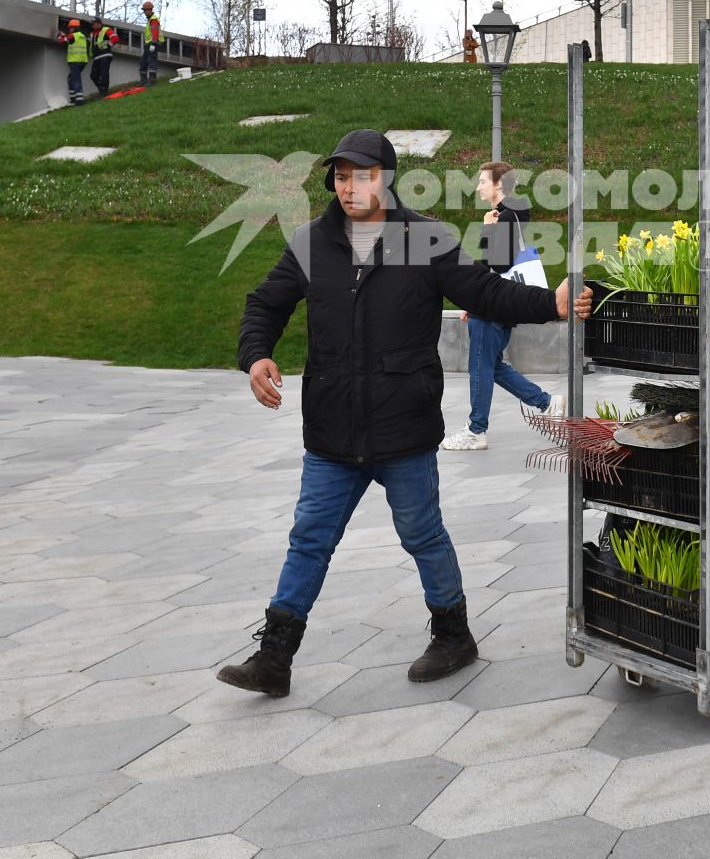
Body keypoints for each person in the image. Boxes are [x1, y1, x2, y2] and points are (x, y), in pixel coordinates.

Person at [218, 130, 592, 698]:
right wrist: (256, 354)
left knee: (421, 533)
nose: (348, 187)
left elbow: (485, 292)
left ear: (385, 180)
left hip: (403, 425)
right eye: (340, 177)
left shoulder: (427, 239)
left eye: (361, 175)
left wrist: (552, 304)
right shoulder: (308, 243)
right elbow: (264, 305)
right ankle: (275, 657)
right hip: (332, 430)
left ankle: (453, 635)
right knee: (309, 538)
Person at [444, 162, 563, 452]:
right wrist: (472, 300)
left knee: (480, 367)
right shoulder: (508, 216)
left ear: (498, 184)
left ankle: (476, 430)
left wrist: (488, 230)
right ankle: (547, 403)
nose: (478, 186)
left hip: (495, 305)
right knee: (492, 365)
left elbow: (499, 264)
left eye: (483, 181)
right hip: (494, 301)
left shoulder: (507, 218)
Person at [59, 17, 89, 104]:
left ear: (75, 28)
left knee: (76, 79)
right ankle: (73, 98)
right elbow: (71, 41)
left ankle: (79, 100)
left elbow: (61, 41)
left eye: (71, 27)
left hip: (75, 61)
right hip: (83, 61)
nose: (70, 29)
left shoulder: (73, 35)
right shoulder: (82, 36)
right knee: (71, 78)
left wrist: (60, 35)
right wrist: (65, 36)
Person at [89, 20, 117, 96]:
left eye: (94, 24)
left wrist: (107, 45)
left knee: (104, 73)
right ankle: (102, 90)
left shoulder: (106, 30)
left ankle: (104, 91)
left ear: (99, 24)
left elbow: (115, 38)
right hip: (97, 57)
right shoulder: (92, 34)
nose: (92, 26)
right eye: (92, 24)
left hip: (105, 55)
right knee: (93, 75)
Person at [140, 1, 164, 85]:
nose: (144, 12)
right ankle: (143, 81)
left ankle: (152, 80)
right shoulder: (150, 20)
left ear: (149, 10)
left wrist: (153, 43)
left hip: (152, 44)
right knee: (143, 62)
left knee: (151, 61)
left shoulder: (153, 19)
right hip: (148, 44)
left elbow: (155, 31)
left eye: (145, 10)